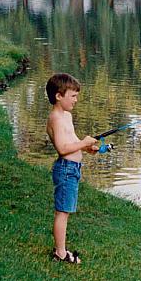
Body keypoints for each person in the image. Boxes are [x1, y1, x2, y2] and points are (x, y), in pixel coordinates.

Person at [45, 73, 98, 264]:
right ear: (59, 96)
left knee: (65, 210)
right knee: (62, 212)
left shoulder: (67, 116)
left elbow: (72, 141)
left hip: (73, 168)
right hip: (66, 168)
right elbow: (62, 148)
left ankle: (61, 249)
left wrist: (86, 147)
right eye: (73, 96)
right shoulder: (56, 118)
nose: (76, 100)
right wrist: (82, 142)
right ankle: (60, 253)